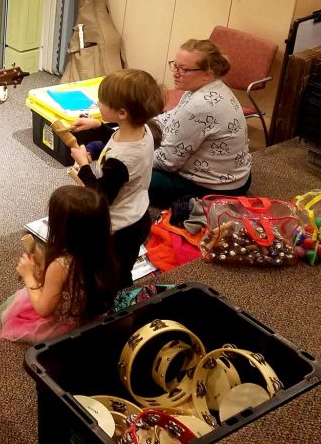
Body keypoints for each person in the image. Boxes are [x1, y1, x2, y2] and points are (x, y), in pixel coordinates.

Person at [70, 69, 163, 290]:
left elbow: (101, 197)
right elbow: (116, 139)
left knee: (115, 274)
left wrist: (84, 165)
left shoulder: (121, 161)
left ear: (122, 113)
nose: (98, 104)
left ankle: (118, 308)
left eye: (102, 102)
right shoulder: (143, 130)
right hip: (138, 212)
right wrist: (98, 127)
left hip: (122, 227)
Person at [0, 186, 119, 344]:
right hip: (91, 309)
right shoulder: (103, 247)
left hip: (66, 326)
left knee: (11, 311)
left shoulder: (61, 264)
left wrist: (28, 275)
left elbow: (43, 309)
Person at [149, 39, 252, 208]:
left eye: (183, 69)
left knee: (128, 173)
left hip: (214, 192)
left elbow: (167, 162)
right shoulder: (212, 87)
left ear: (207, 74)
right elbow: (173, 117)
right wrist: (143, 125)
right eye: (175, 66)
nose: (175, 73)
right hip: (239, 179)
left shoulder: (197, 107)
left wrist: (133, 152)